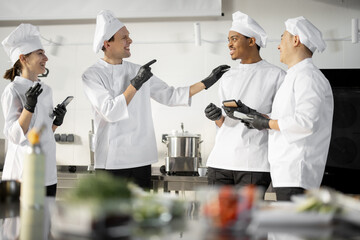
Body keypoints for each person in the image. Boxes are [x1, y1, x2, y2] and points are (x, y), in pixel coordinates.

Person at [82, 10, 229, 189]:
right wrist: (135, 84)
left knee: (142, 213)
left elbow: (171, 95)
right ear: (107, 43)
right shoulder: (92, 75)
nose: (130, 40)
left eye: (129, 36)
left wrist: (207, 82)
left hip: (139, 159)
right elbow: (110, 112)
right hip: (111, 162)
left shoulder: (138, 70)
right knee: (112, 215)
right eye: (124, 37)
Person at [228, 16, 334, 201]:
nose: (278, 46)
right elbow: (286, 117)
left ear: (295, 40)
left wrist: (267, 123)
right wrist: (255, 116)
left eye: (282, 39)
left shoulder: (308, 76)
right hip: (286, 172)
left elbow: (306, 122)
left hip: (298, 172)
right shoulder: (295, 76)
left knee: (293, 229)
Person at [204, 11, 285, 194]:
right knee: (217, 219)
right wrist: (217, 117)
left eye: (234, 38)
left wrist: (254, 115)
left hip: (254, 163)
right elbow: (225, 124)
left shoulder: (277, 75)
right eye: (228, 39)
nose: (229, 44)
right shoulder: (227, 77)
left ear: (251, 41)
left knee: (245, 219)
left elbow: (283, 121)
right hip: (219, 161)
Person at [1, 24, 67, 197]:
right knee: (20, 224)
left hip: (47, 173)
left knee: (45, 223)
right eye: (40, 53)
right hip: (22, 173)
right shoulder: (12, 90)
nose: (46, 57)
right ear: (23, 58)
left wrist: (55, 124)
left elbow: (41, 133)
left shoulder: (46, 89)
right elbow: (14, 136)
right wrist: (28, 108)